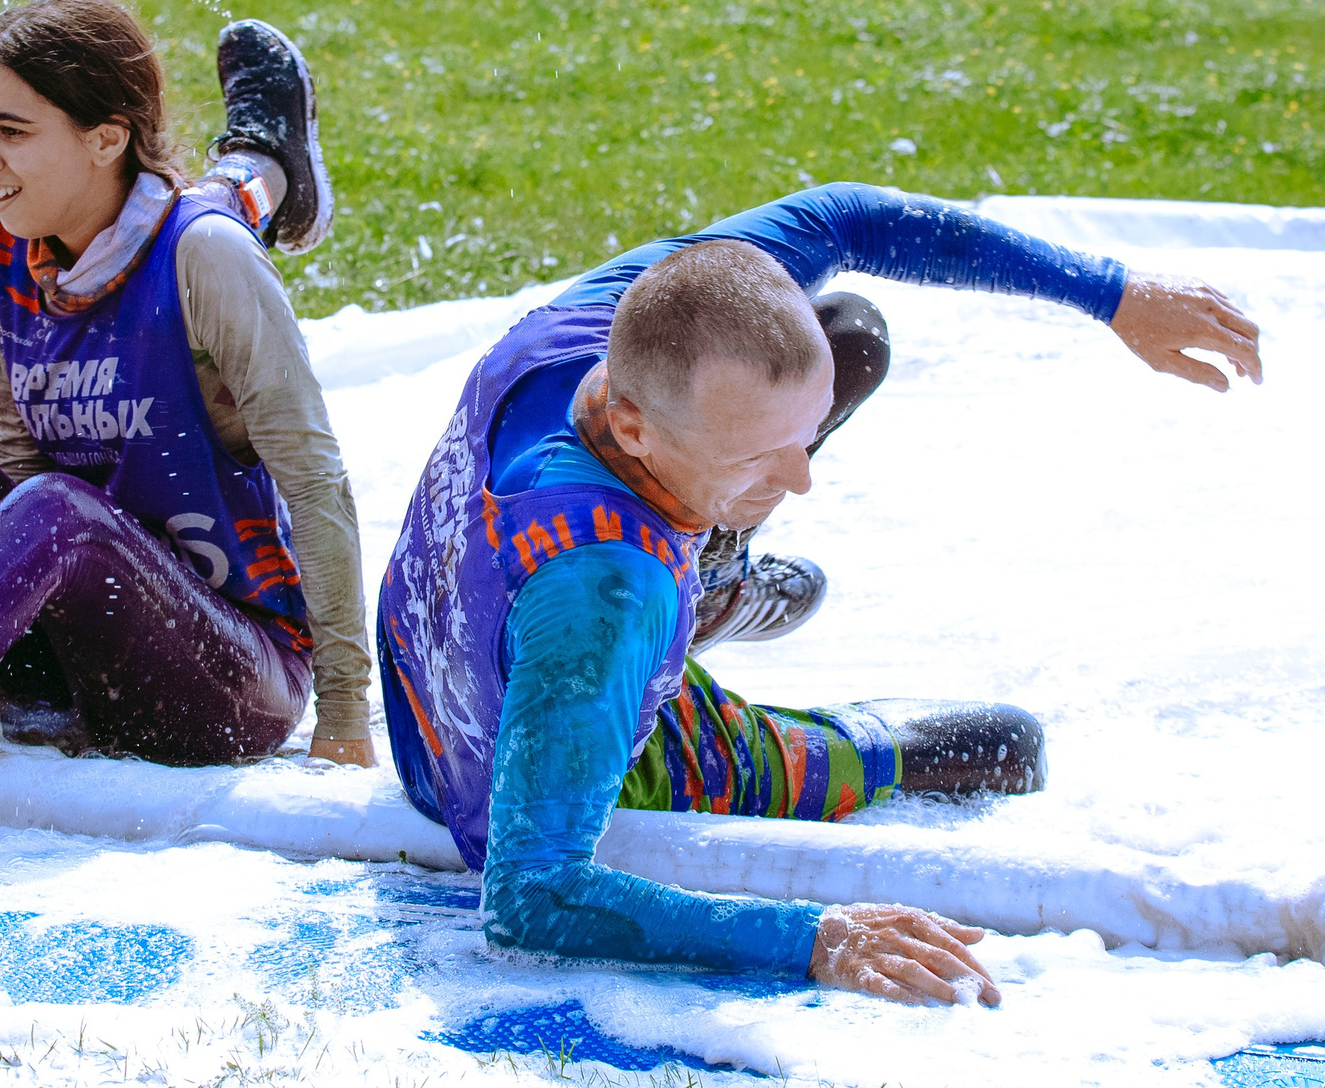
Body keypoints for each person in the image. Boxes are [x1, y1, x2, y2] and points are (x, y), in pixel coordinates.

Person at [378, 185, 1264, 1006]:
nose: (801, 481)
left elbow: (851, 216)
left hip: (437, 658)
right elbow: (530, 900)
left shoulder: (598, 319)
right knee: (1004, 746)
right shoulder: (610, 591)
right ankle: (717, 596)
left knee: (848, 334)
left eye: (803, 441)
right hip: (506, 745)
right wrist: (815, 939)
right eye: (758, 458)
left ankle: (715, 568)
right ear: (633, 427)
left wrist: (1113, 294)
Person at [0, 0, 377, 776]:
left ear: (106, 138)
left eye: (11, 131)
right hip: (74, 648)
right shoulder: (14, 247)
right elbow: (16, 466)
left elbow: (317, 481)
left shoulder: (208, 257)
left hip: (231, 677)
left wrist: (345, 714)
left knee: (60, 512)